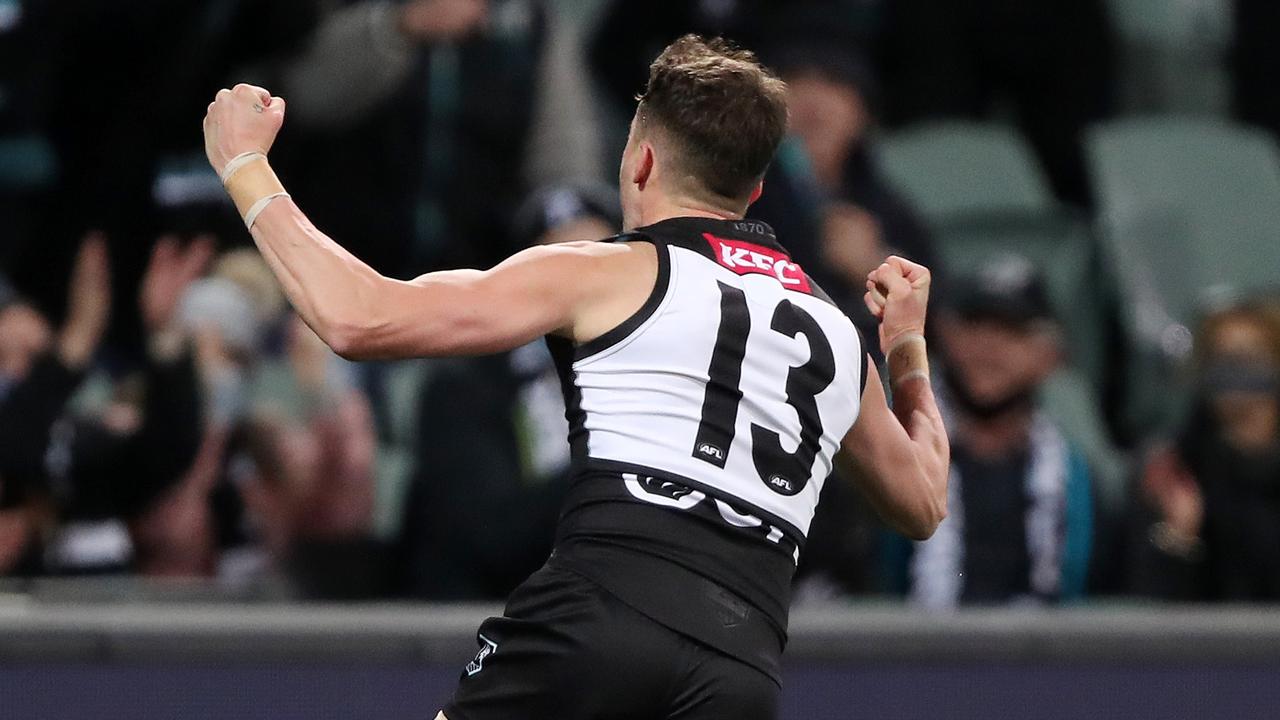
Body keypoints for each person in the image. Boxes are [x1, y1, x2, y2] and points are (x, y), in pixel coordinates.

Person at [202, 35, 949, 719]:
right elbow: (921, 501)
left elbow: (357, 318)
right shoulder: (836, 337)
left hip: (600, 617)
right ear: (754, 192)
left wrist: (246, 168)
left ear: (642, 163)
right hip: (743, 663)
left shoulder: (609, 270)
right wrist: (907, 346)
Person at [906, 256, 1095, 608]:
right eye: (975, 325)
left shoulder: (1075, 478)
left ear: (1048, 354)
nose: (989, 347)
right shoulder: (897, 453)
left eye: (1011, 331)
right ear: (945, 335)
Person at [1131, 297, 1280, 600]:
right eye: (1221, 358)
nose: (1234, 371)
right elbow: (1146, 604)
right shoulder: (1173, 469)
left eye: (1249, 357)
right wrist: (1178, 539)